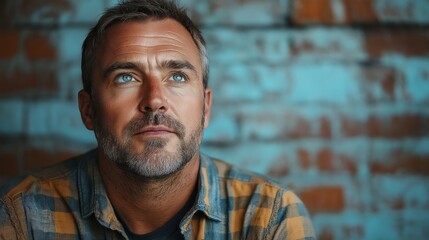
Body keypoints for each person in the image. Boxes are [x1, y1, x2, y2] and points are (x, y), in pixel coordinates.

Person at [0, 0, 315, 239]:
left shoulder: (269, 217)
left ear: (205, 108)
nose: (154, 100)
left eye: (177, 76)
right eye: (126, 77)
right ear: (89, 110)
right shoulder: (19, 215)